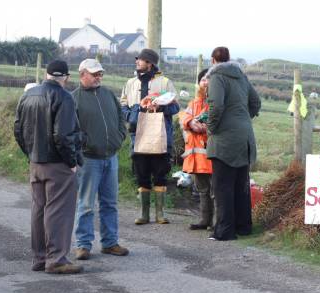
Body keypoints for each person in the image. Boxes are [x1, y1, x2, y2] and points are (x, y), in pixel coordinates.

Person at [14, 60, 84, 274]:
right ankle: (56, 260)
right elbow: (62, 135)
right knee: (59, 210)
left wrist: (30, 153)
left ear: (46, 74)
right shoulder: (64, 97)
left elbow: (18, 129)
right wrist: (71, 161)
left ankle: (40, 258)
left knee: (39, 209)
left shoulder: (28, 95)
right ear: (66, 77)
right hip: (58, 163)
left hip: (35, 162)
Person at [72, 59, 128, 260]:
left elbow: (121, 117)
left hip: (110, 157)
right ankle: (83, 245)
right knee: (86, 203)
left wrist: (120, 136)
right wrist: (84, 145)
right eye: (94, 74)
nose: (98, 77)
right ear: (82, 75)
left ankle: (110, 242)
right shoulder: (74, 99)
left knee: (110, 203)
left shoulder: (108, 94)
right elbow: (70, 130)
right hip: (88, 159)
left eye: (100, 74)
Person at [206, 47, 261, 241]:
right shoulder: (241, 77)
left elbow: (216, 106)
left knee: (223, 187)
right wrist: (243, 120)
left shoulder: (216, 78)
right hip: (245, 137)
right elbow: (256, 102)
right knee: (241, 184)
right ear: (229, 59)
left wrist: (210, 128)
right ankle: (243, 227)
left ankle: (225, 231)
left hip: (225, 140)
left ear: (213, 61)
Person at [120, 49, 180, 225]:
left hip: (160, 136)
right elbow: (123, 107)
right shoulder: (130, 83)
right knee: (141, 174)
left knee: (160, 173)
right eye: (137, 59)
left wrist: (161, 108)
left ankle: (160, 214)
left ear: (150, 63)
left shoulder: (165, 83)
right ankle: (144, 214)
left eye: (142, 59)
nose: (137, 62)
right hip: (137, 135)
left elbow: (176, 108)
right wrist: (135, 112)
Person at [180, 68, 214, 230]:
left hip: (212, 154)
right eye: (203, 79)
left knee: (215, 190)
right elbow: (184, 117)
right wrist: (190, 122)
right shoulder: (193, 103)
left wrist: (204, 127)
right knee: (202, 189)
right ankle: (204, 220)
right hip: (197, 156)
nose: (205, 82)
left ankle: (216, 222)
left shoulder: (216, 102)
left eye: (209, 79)